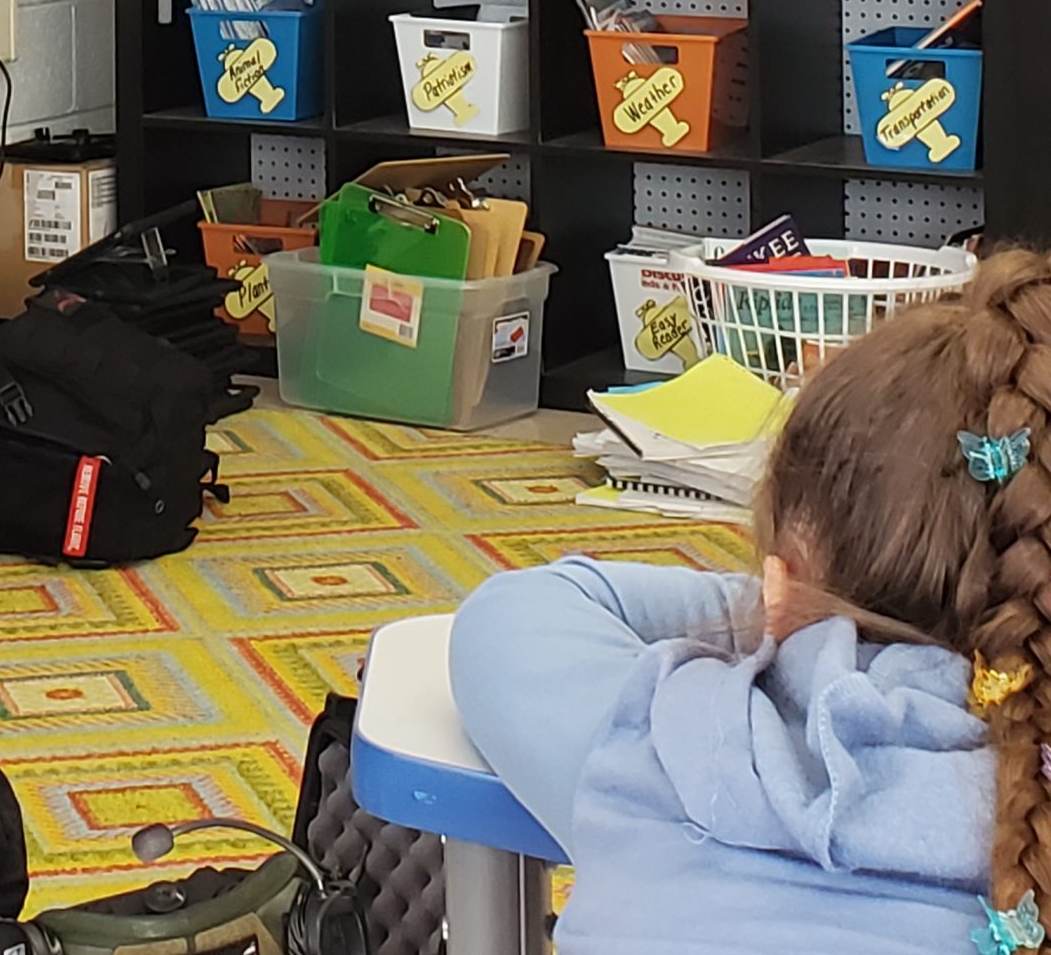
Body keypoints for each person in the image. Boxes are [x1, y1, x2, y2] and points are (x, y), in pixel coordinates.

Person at [448, 252, 1051, 952]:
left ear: (783, 576)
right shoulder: (1024, 823)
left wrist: (798, 610)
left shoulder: (672, 744)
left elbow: (515, 616)